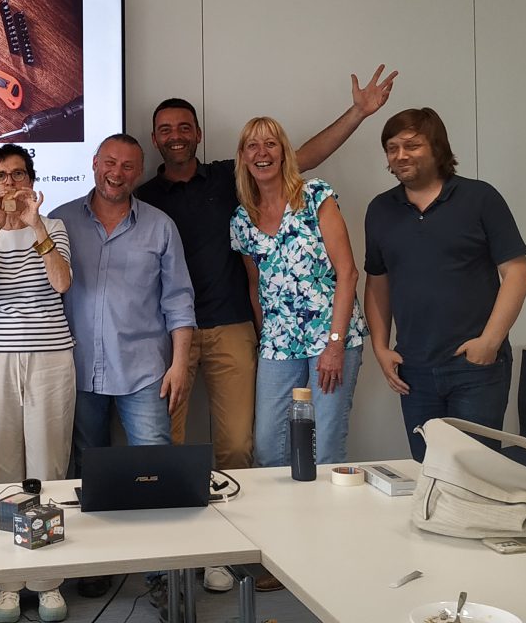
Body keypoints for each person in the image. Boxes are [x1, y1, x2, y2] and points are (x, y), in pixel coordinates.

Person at [134, 67, 395, 594]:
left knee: (280, 449)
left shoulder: (270, 189)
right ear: (156, 137)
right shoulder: (161, 200)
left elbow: (342, 259)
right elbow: (258, 284)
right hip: (202, 339)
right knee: (217, 448)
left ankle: (304, 552)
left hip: (273, 335)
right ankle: (195, 558)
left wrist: (361, 113)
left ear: (199, 136)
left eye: (185, 127)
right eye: (166, 129)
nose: (176, 135)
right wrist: (267, 335)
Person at [50, 134, 194, 601]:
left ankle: (161, 576)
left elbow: (178, 301)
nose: (117, 173)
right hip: (77, 369)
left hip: (144, 370)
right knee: (88, 473)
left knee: (155, 470)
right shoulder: (60, 222)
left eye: (129, 166)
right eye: (109, 162)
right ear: (94, 163)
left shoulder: (160, 226)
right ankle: (96, 563)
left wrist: (180, 364)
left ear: (140, 170)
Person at [363, 108, 526, 460]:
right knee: (428, 475)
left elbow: (518, 275)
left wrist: (489, 342)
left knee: (476, 476)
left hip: (475, 369)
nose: (400, 155)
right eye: (392, 148)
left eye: (411, 145)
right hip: (414, 370)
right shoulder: (380, 210)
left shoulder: (480, 198)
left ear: (437, 148)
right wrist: (380, 348)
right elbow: (377, 283)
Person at [0, 144, 74, 623]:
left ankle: (48, 581)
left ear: (31, 180)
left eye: (17, 174)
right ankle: (7, 581)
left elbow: (62, 283)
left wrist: (35, 224)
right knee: (2, 467)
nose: (9, 183)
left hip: (50, 357)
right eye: (0, 176)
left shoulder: (55, 228)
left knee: (49, 466)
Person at [230, 116, 367, 469]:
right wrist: (265, 340)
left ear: (284, 153)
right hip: (278, 343)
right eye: (253, 146)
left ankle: (328, 523)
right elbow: (255, 285)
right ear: (243, 157)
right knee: (268, 447)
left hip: (331, 337)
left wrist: (335, 344)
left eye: (271, 144)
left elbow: (348, 273)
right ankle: (278, 523)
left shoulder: (315, 196)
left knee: (325, 445)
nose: (262, 153)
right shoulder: (242, 220)